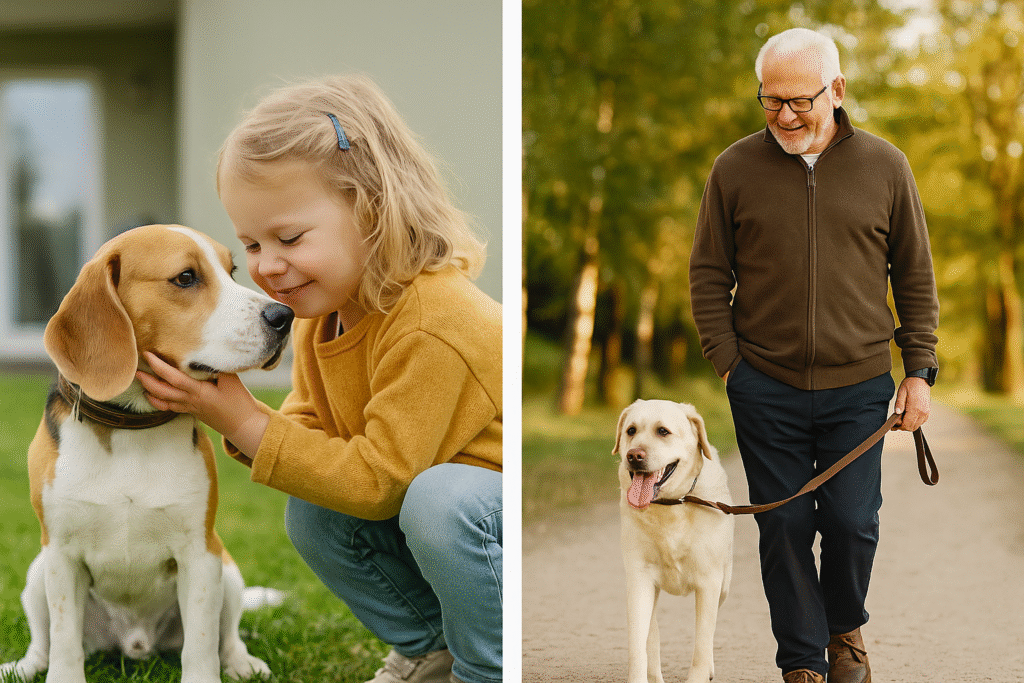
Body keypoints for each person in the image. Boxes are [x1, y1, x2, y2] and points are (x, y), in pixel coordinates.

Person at [137, 74, 502, 683]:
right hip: (435, 515)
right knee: (313, 507)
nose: (267, 266)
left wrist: (246, 420)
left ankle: (487, 667)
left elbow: (381, 482)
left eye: (289, 237)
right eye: (251, 242)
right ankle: (429, 645)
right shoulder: (323, 315)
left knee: (442, 500)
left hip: (493, 516)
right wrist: (234, 410)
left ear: (373, 209)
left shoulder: (435, 322)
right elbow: (312, 435)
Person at [689, 28, 938, 683]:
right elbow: (708, 273)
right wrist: (729, 365)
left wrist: (919, 370)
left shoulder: (886, 167)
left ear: (837, 90)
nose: (786, 115)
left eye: (800, 100)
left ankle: (843, 628)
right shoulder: (734, 168)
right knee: (786, 524)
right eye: (771, 101)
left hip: (858, 383)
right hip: (763, 382)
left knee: (854, 521)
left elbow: (913, 274)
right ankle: (802, 662)